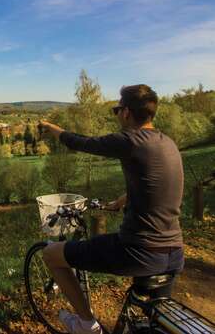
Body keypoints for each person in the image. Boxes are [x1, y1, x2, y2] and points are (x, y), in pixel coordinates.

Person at [39, 84, 184, 334]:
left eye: (117, 109)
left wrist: (52, 128)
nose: (116, 114)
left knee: (52, 254)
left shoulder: (129, 140)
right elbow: (157, 182)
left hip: (139, 250)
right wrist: (123, 200)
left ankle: (86, 324)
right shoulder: (167, 142)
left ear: (126, 112)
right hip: (174, 253)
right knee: (156, 325)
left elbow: (81, 142)